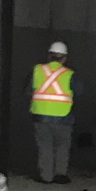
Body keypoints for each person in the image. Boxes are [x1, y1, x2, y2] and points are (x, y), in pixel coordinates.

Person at [31, 41, 74, 183]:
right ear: (64, 58)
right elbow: (80, 90)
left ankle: (45, 176)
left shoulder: (38, 70)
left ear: (49, 56)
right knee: (62, 147)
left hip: (41, 117)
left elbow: (27, 90)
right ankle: (60, 175)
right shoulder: (69, 74)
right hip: (63, 118)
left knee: (45, 147)